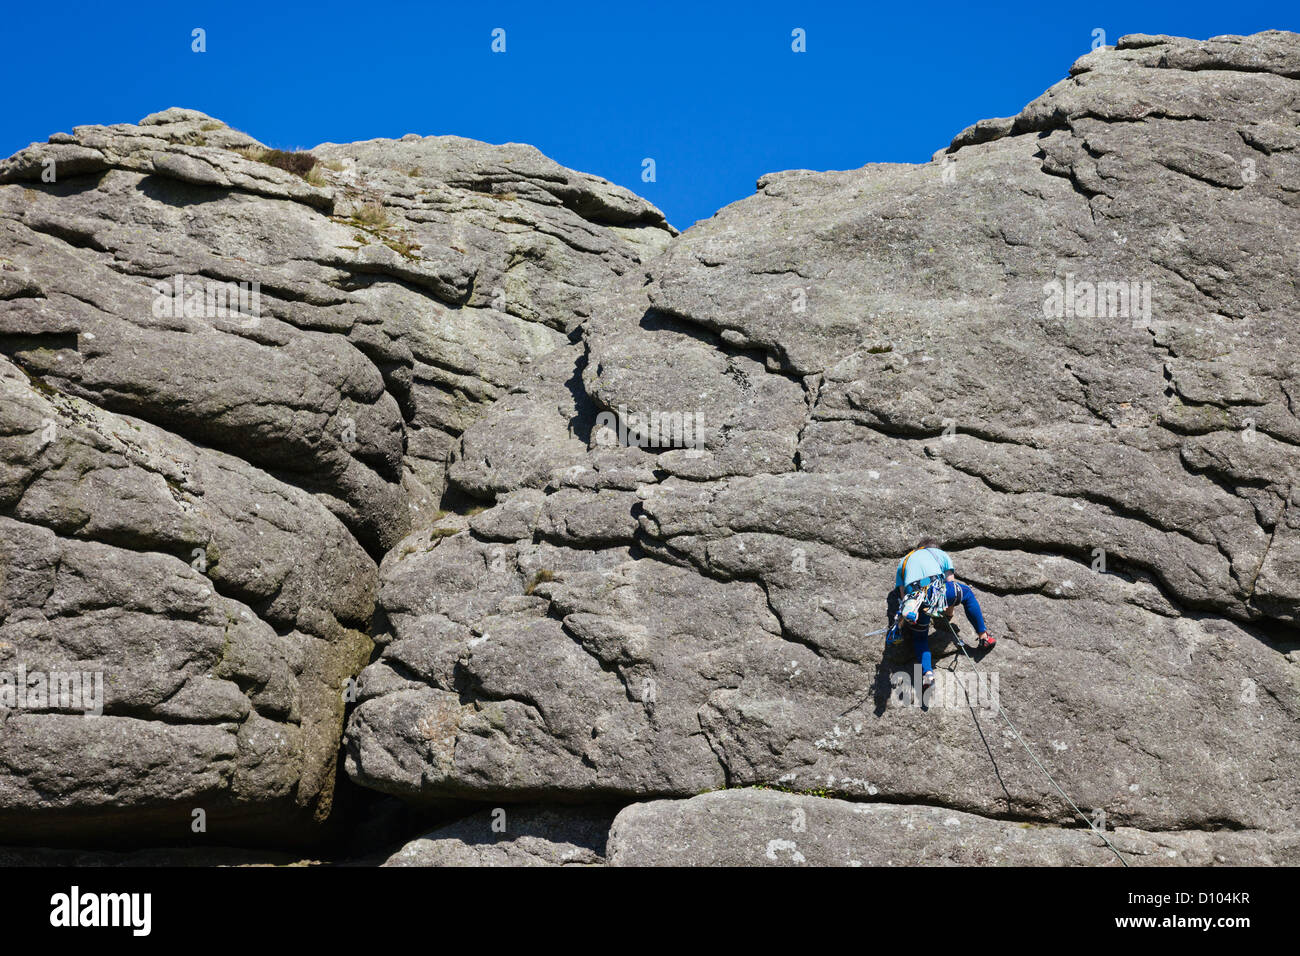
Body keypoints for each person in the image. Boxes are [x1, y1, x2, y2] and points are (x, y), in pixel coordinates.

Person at [885, 539, 993, 690]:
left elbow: (903, 596)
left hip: (915, 600)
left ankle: (928, 674)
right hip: (936, 590)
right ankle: (984, 637)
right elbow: (950, 582)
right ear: (934, 548)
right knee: (967, 594)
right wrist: (947, 615)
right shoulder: (939, 554)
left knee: (920, 637)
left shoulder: (904, 561)